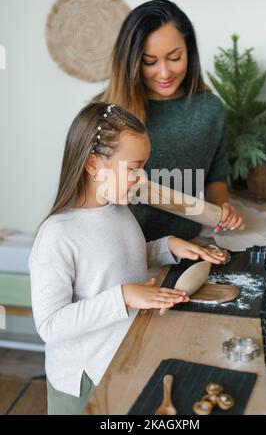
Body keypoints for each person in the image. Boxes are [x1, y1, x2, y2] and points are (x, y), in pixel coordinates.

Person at [29, 102, 227, 415]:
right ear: (93, 165)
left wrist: (166, 246)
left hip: (120, 360)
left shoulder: (118, 210)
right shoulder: (57, 234)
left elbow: (113, 260)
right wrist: (124, 296)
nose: (141, 177)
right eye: (133, 168)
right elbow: (50, 325)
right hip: (83, 381)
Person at [95, 0, 244, 241]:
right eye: (149, 62)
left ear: (189, 51)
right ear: (131, 61)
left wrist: (223, 208)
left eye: (175, 57)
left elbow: (216, 175)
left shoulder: (210, 109)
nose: (164, 73)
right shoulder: (106, 115)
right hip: (125, 250)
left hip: (190, 243)